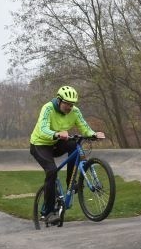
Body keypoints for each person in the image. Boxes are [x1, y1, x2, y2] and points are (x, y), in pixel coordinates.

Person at [29, 85, 105, 224]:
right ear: (59, 100)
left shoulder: (75, 111)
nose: (69, 107)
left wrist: (93, 134)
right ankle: (49, 212)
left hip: (57, 143)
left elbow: (84, 127)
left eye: (72, 104)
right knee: (51, 171)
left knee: (75, 145)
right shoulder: (48, 108)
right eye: (67, 104)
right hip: (40, 144)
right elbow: (42, 128)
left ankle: (72, 182)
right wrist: (56, 134)